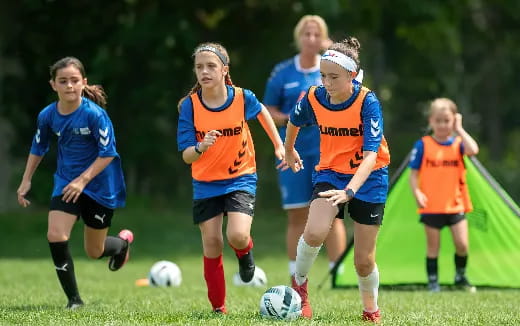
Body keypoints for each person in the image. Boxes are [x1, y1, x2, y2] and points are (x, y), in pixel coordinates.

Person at [284, 37, 390, 323]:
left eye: (334, 77)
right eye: (322, 75)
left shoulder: (368, 102)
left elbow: (370, 156)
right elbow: (294, 121)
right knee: (316, 230)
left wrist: (350, 191)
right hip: (330, 172)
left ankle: (370, 310)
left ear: (352, 76)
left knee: (363, 261)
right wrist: (288, 148)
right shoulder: (313, 96)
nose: (326, 82)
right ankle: (300, 286)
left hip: (369, 178)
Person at [16, 57, 133, 309]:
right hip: (67, 182)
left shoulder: (95, 115)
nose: (69, 85)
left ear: (83, 83)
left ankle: (122, 244)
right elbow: (38, 147)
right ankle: (74, 300)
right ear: (53, 85)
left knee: (94, 251)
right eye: (63, 81)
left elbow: (108, 153)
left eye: (74, 80)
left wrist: (83, 180)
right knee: (55, 234)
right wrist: (26, 180)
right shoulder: (47, 115)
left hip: (100, 186)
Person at [177, 42, 284, 314]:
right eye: (199, 67)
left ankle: (245, 254)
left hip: (240, 176)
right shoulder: (189, 106)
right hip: (205, 182)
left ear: (224, 70)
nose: (204, 71)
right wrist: (201, 147)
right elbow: (187, 156)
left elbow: (263, 114)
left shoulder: (241, 97)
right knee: (212, 243)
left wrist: (279, 146)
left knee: (237, 235)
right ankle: (218, 308)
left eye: (211, 66)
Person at [263, 14, 352, 278]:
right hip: (293, 153)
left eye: (316, 34)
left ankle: (339, 272)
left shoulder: (330, 70)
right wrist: (295, 117)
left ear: (323, 38)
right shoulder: (283, 72)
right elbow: (268, 110)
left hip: (329, 153)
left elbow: (349, 97)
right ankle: (296, 273)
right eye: (306, 34)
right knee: (297, 215)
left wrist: (332, 49)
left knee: (332, 212)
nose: (311, 39)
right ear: (298, 38)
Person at [408, 98, 479, 293]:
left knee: (462, 244)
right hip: (431, 206)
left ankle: (460, 276)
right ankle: (433, 282)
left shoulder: (458, 144)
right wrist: (417, 192)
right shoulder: (423, 145)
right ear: (431, 121)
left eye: (446, 120)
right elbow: (413, 176)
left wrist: (460, 129)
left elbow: (474, 150)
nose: (442, 125)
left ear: (453, 121)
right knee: (433, 248)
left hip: (456, 205)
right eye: (438, 120)